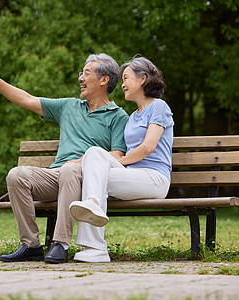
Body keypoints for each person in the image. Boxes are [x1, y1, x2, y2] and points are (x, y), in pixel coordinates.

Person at [0, 53, 129, 264]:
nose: (81, 78)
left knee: (69, 170)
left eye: (87, 73)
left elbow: (117, 156)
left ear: (104, 79)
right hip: (57, 176)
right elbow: (27, 99)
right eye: (81, 73)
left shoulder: (118, 116)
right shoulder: (69, 107)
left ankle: (60, 244)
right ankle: (31, 246)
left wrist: (80, 162)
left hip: (87, 181)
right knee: (16, 175)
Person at [69, 56, 173, 263]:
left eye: (126, 78)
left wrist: (119, 162)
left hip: (154, 179)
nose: (122, 84)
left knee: (95, 169)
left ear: (142, 79)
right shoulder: (133, 116)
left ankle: (95, 240)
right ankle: (94, 221)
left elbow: (147, 147)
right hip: (132, 176)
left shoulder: (159, 107)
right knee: (94, 155)